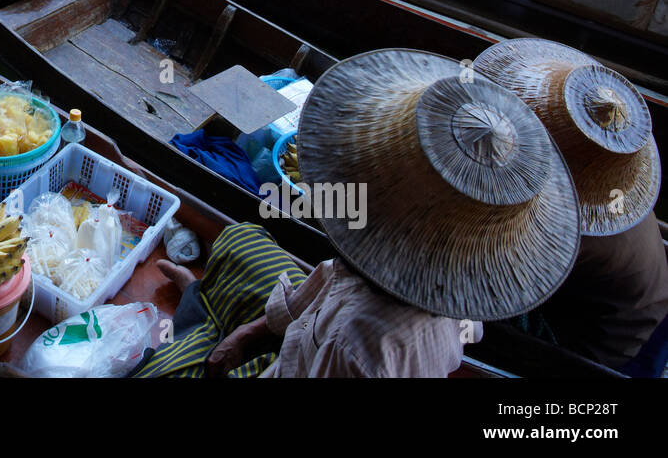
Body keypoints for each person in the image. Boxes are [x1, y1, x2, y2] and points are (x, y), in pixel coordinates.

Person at [133, 48, 582, 377]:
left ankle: (198, 308)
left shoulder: (356, 346)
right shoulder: (448, 271)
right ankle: (204, 304)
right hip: (308, 336)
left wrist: (230, 347)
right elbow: (331, 277)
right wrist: (251, 333)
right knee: (241, 238)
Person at [473, 39, 667, 373]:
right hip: (613, 306)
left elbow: (490, 274)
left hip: (593, 350)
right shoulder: (607, 178)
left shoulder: (573, 220)